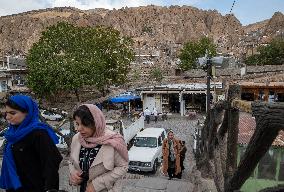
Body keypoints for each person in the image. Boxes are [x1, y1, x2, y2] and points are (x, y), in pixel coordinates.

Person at [0, 94, 62, 192]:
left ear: (27, 113)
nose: (7, 117)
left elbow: (51, 164)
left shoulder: (39, 134)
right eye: (6, 113)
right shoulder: (12, 134)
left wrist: (50, 188)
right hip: (15, 188)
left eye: (12, 113)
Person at [69, 104, 128, 192]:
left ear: (96, 123)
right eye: (77, 124)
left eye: (84, 124)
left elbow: (123, 167)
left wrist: (96, 185)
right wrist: (73, 173)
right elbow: (71, 161)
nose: (79, 129)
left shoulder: (112, 141)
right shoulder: (77, 139)